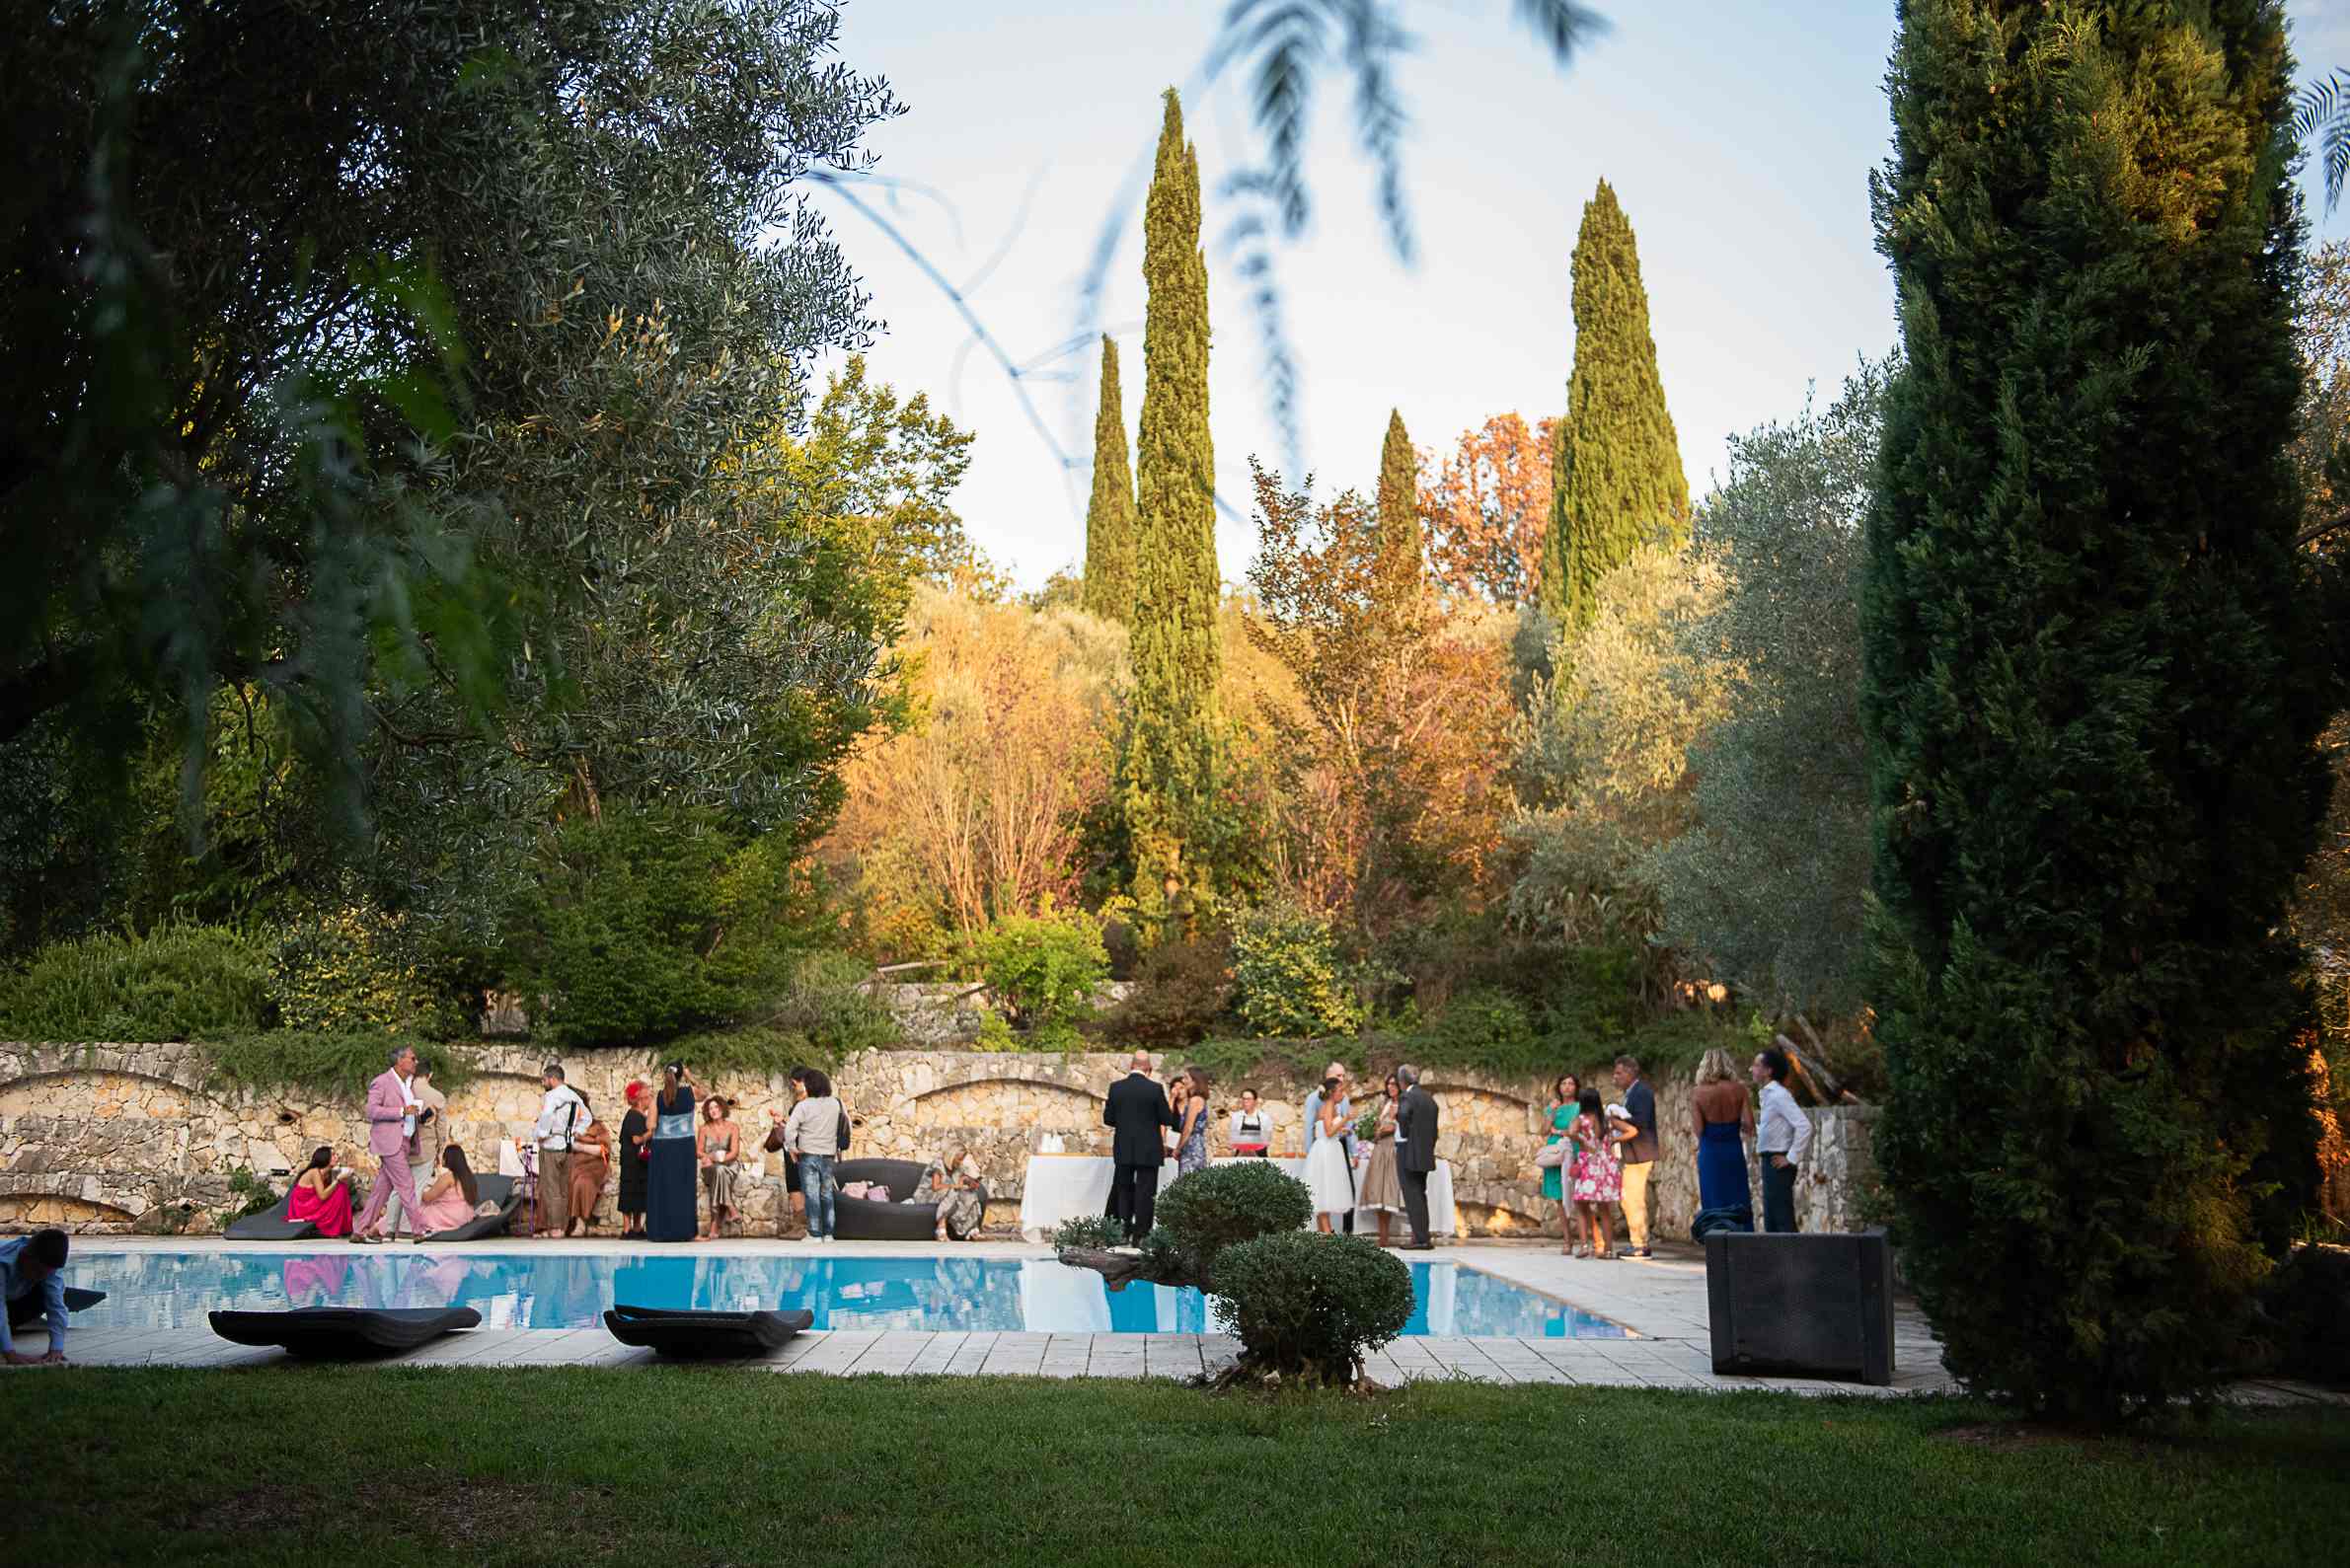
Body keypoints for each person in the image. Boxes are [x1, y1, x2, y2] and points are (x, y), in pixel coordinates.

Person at [351, 1045, 431, 1243]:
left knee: (381, 1190)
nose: (416, 1062)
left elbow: (407, 1111)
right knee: (406, 1184)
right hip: (391, 1143)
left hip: (404, 1142)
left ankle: (360, 1231)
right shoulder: (381, 1082)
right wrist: (402, 1111)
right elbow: (372, 1111)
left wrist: (418, 1115)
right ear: (400, 1061)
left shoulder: (408, 1084)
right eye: (413, 1058)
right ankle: (419, 1230)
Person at [1102, 1050, 1177, 1244]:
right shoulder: (1154, 1089)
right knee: (1146, 1191)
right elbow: (1166, 1118)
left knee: (1124, 1189)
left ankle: (1122, 1232)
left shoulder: (1116, 1088)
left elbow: (1108, 1119)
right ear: (1148, 1068)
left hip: (1124, 1146)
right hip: (1149, 1148)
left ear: (1132, 1066)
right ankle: (1141, 1236)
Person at [383, 1065, 448, 1238]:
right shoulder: (436, 1096)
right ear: (430, 1075)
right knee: (417, 1188)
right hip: (425, 1149)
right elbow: (441, 1129)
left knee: (398, 1188)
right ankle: (406, 1228)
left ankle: (389, 1229)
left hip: (400, 1147)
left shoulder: (401, 1092)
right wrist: (441, 1150)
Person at [1754, 1046, 1813, 1233]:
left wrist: (1791, 1158)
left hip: (1778, 1162)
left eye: (1756, 1065)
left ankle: (1794, 1261)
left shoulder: (1779, 1095)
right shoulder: (1769, 1095)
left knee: (1782, 1219)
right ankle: (1777, 1262)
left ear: (1768, 1071)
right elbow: (1774, 1129)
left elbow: (1804, 1125)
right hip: (1770, 1160)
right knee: (1772, 1219)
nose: (1751, 1069)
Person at [783, 1067, 846, 1243]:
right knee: (827, 1194)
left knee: (811, 1194)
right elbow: (844, 1125)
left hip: (808, 1154)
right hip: (828, 1155)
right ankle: (828, 1234)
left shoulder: (804, 1105)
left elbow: (789, 1129)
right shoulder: (836, 1103)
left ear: (810, 1086)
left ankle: (814, 1234)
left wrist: (792, 1148)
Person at [1694, 1049, 1756, 1225]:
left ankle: (1717, 1241)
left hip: (1710, 1151)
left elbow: (1698, 1130)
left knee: (1713, 1197)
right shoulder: (1739, 1089)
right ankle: (1742, 1240)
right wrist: (1733, 1125)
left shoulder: (1698, 1093)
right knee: (1737, 1196)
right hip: (1733, 1149)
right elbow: (1749, 1124)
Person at [1611, 1054, 1659, 1258]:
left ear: (1631, 1072)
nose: (1615, 1077)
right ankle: (1638, 1242)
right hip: (1634, 1152)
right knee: (1630, 1198)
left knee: (1633, 1199)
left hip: (1641, 1152)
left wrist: (1618, 1117)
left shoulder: (1642, 1093)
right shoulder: (1633, 1093)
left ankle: (1640, 1244)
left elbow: (1641, 1121)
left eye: (1619, 1073)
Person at [532, 1061, 588, 1237]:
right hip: (568, 1147)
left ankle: (554, 1228)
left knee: (551, 1189)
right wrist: (577, 1131)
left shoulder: (553, 1096)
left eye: (544, 1079)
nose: (543, 1083)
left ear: (553, 1079)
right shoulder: (574, 1096)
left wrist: (541, 1133)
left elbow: (547, 1114)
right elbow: (587, 1117)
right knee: (564, 1189)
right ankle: (562, 1227)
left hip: (551, 1145)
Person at [1301, 1063, 1357, 1232]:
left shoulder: (1331, 1105)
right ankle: (1327, 1233)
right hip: (1326, 1151)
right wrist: (1346, 1119)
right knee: (1324, 1190)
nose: (1343, 1092)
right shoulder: (1329, 1106)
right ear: (1332, 1093)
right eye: (1340, 1090)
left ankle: (1324, 1233)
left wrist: (1343, 1128)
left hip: (1330, 1148)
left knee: (1324, 1190)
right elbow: (1329, 1131)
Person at [646, 1064, 700, 1243]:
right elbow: (705, 1093)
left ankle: (659, 1231)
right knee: (684, 1189)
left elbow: (651, 1126)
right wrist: (690, 1075)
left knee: (662, 1189)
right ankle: (686, 1231)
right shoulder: (690, 1092)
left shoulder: (658, 1097)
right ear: (681, 1075)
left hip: (662, 1148)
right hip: (684, 1147)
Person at [0, 1230, 70, 1366]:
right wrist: (10, 1353)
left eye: (46, 1273)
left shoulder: (49, 1267)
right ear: (25, 1257)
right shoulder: (2, 1263)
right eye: (37, 1271)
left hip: (13, 1300)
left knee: (44, 1294)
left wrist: (56, 1348)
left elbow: (56, 1304)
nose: (41, 1277)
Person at [1570, 1087, 1623, 1258]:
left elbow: (1571, 1132)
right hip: (1606, 1166)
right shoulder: (1607, 1120)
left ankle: (1584, 1246)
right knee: (1605, 1210)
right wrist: (1614, 1139)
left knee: (1581, 1207)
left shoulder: (1581, 1119)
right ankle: (1608, 1250)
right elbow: (1632, 1130)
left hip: (1588, 1164)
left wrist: (1582, 1140)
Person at [1357, 1073, 1405, 1246]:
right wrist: (1381, 1130)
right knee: (1377, 1190)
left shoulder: (1402, 1104)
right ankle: (1382, 1235)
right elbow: (1379, 1127)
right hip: (1380, 1149)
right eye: (1388, 1084)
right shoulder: (1386, 1104)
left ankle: (1386, 1237)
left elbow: (1393, 1127)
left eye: (1394, 1084)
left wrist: (1386, 1127)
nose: (1390, 1087)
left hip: (1393, 1149)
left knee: (1389, 1191)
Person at [1395, 1064, 1440, 1250]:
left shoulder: (1408, 1096)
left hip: (1408, 1152)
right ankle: (1422, 1236)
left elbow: (1403, 1115)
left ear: (1402, 1081)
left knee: (1412, 1196)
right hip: (1424, 1154)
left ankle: (1420, 1239)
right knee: (1420, 1195)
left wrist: (1404, 1133)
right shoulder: (1429, 1098)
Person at [1542, 1074, 1584, 1256]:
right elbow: (1543, 1130)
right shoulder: (1553, 1108)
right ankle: (1567, 1241)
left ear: (1576, 1087)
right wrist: (1551, 1113)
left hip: (1573, 1151)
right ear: (1559, 1087)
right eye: (1564, 1083)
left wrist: (1558, 1130)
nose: (1567, 1087)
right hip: (1554, 1154)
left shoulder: (1579, 1107)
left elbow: (1577, 1130)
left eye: (1571, 1083)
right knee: (1559, 1198)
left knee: (1580, 1197)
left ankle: (1585, 1241)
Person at [414, 1145, 499, 1232]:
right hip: (465, 1217)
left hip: (450, 1216)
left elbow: (428, 1198)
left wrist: (419, 1188)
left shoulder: (448, 1177)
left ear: (448, 1159)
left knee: (416, 1210)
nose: (442, 1159)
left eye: (443, 1156)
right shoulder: (469, 1176)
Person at [698, 1094, 744, 1240]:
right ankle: (730, 1207)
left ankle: (714, 1223)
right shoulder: (704, 1129)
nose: (713, 1110)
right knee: (719, 1171)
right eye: (710, 1108)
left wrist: (721, 1159)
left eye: (716, 1107)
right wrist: (710, 1158)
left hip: (730, 1164)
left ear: (722, 1108)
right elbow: (698, 1151)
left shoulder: (733, 1127)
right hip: (710, 1166)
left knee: (721, 1171)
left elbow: (735, 1152)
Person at [915, 1145, 984, 1240]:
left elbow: (961, 1184)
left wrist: (971, 1184)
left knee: (969, 1194)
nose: (960, 1162)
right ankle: (941, 1229)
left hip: (946, 1195)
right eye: (959, 1159)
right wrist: (956, 1186)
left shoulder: (958, 1168)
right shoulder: (938, 1164)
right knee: (952, 1191)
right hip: (926, 1195)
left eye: (962, 1159)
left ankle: (973, 1230)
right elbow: (936, 1187)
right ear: (951, 1156)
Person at [566, 1096, 611, 1237]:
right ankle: (562, 1225)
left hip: (594, 1165)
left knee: (583, 1182)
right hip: (574, 1165)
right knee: (565, 1180)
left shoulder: (597, 1126)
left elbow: (603, 1150)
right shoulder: (569, 1127)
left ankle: (581, 1222)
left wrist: (579, 1147)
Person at [287, 1147, 354, 1238]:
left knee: (341, 1188)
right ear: (325, 1158)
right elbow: (322, 1196)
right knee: (340, 1189)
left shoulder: (328, 1172)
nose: (336, 1157)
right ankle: (330, 1229)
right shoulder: (314, 1172)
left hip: (313, 1203)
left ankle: (343, 1228)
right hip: (303, 1207)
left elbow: (330, 1191)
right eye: (333, 1155)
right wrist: (337, 1180)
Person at [617, 1081, 651, 1239]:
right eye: (647, 1097)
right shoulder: (633, 1117)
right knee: (629, 1193)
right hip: (632, 1162)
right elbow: (637, 1140)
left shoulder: (639, 1116)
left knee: (639, 1194)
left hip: (640, 1163)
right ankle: (627, 1228)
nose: (650, 1100)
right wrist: (650, 1133)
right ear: (640, 1099)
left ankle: (637, 1227)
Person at [1172, 1068, 1211, 1175]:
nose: (1183, 1080)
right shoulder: (1198, 1099)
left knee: (1188, 1183)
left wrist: (1178, 1149)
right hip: (1195, 1146)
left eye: (1186, 1077)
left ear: (1195, 1081)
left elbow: (1188, 1128)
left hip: (1192, 1149)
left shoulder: (1195, 1101)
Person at [1228, 1087, 1269, 1157]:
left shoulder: (1264, 1117)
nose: (1245, 1101)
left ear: (1255, 1101)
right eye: (1244, 1099)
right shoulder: (1236, 1117)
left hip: (1260, 1157)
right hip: (1241, 1156)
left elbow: (1266, 1139)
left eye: (1249, 1099)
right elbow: (1233, 1139)